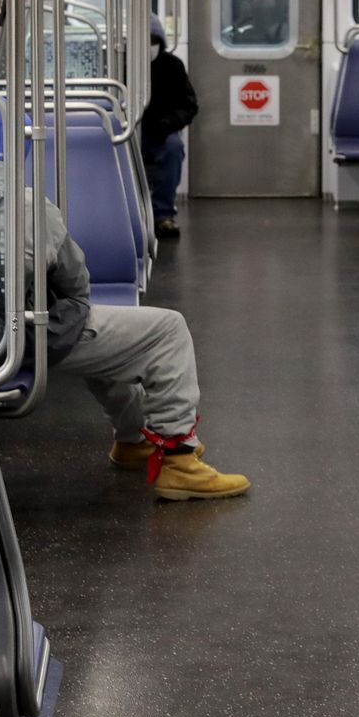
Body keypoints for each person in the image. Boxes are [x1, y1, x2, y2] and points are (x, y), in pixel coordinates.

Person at [32, 194, 249, 502]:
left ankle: (133, 439)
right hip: (24, 335)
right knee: (167, 329)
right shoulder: (22, 203)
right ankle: (179, 460)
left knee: (111, 337)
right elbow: (75, 282)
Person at [139, 16, 196, 239]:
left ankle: (163, 215)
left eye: (153, 40)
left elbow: (188, 105)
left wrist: (168, 122)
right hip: (128, 130)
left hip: (159, 131)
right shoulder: (120, 64)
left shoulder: (172, 66)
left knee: (173, 148)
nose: (149, 45)